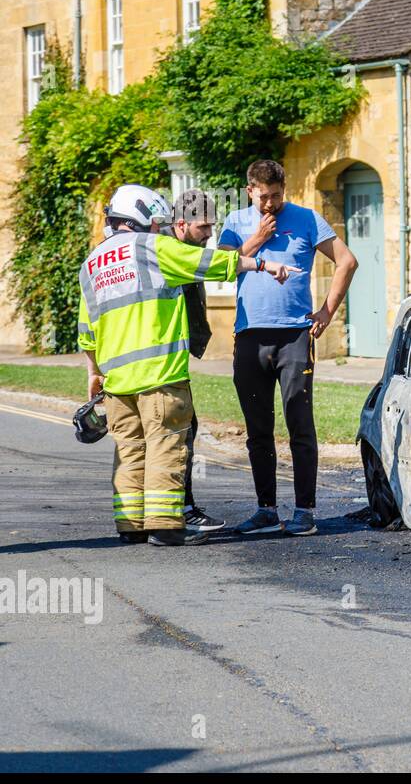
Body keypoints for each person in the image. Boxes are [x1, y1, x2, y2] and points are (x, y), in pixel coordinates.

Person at [79, 184, 298, 546]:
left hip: (116, 381)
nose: (157, 228)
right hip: (159, 374)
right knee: (166, 445)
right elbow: (211, 264)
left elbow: (87, 330)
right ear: (143, 219)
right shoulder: (153, 247)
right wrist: (261, 263)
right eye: (155, 222)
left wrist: (93, 372)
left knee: (131, 452)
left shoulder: (91, 264)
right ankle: (166, 526)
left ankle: (130, 527)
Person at [218, 159, 358, 537]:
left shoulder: (308, 219)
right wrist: (258, 239)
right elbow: (223, 268)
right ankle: (265, 510)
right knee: (257, 429)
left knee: (299, 423)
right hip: (249, 336)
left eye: (276, 196)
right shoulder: (234, 222)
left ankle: (304, 511)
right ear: (250, 191)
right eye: (263, 197)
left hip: (294, 336)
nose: (270, 204)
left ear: (284, 189)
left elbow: (347, 261)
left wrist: (327, 311)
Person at [165, 189, 225, 532]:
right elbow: (221, 267)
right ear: (182, 223)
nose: (210, 234)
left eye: (212, 226)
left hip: (167, 360)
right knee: (178, 433)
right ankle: (179, 512)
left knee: (178, 432)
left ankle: (154, 515)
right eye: (204, 227)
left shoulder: (185, 247)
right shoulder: (169, 250)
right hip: (158, 364)